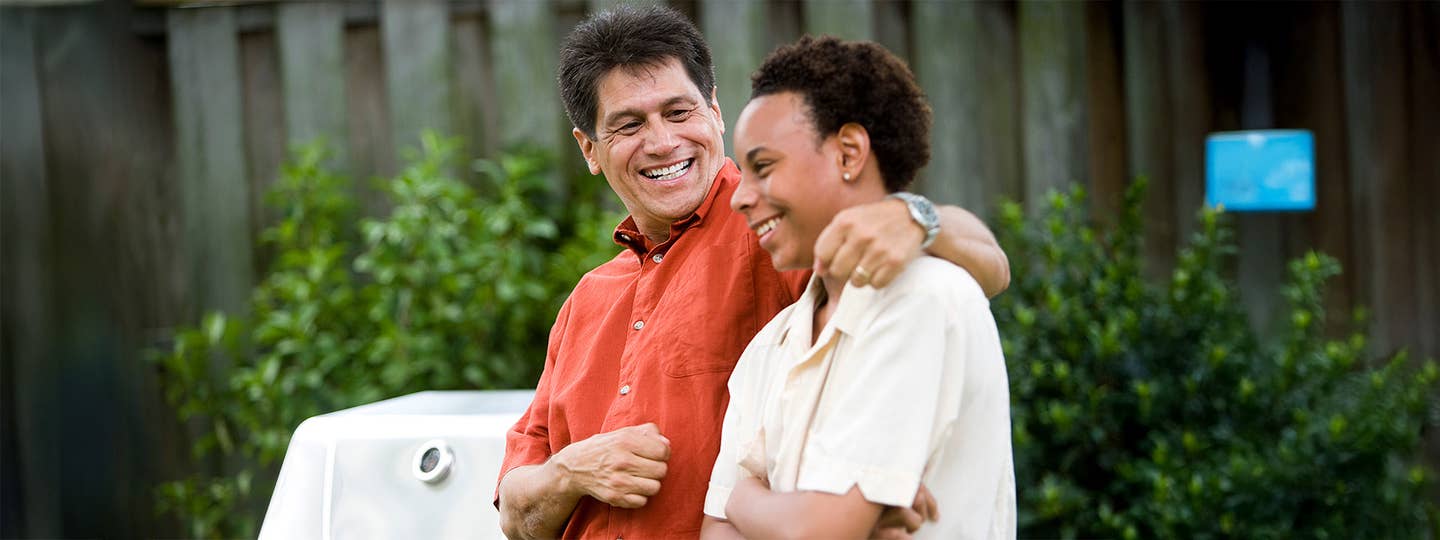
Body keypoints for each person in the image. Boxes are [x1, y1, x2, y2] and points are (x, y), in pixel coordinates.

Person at [495, 6, 1011, 539]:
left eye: (678, 112)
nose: (662, 141)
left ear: (714, 110)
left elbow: (983, 271)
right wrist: (571, 471)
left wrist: (917, 217)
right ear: (589, 150)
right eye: (629, 124)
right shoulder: (587, 300)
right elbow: (516, 515)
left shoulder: (780, 235)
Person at [700, 36, 1015, 540]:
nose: (740, 196)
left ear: (849, 152)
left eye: (763, 167)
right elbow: (714, 531)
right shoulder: (772, 344)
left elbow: (817, 530)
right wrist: (756, 509)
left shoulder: (923, 299)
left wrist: (747, 500)